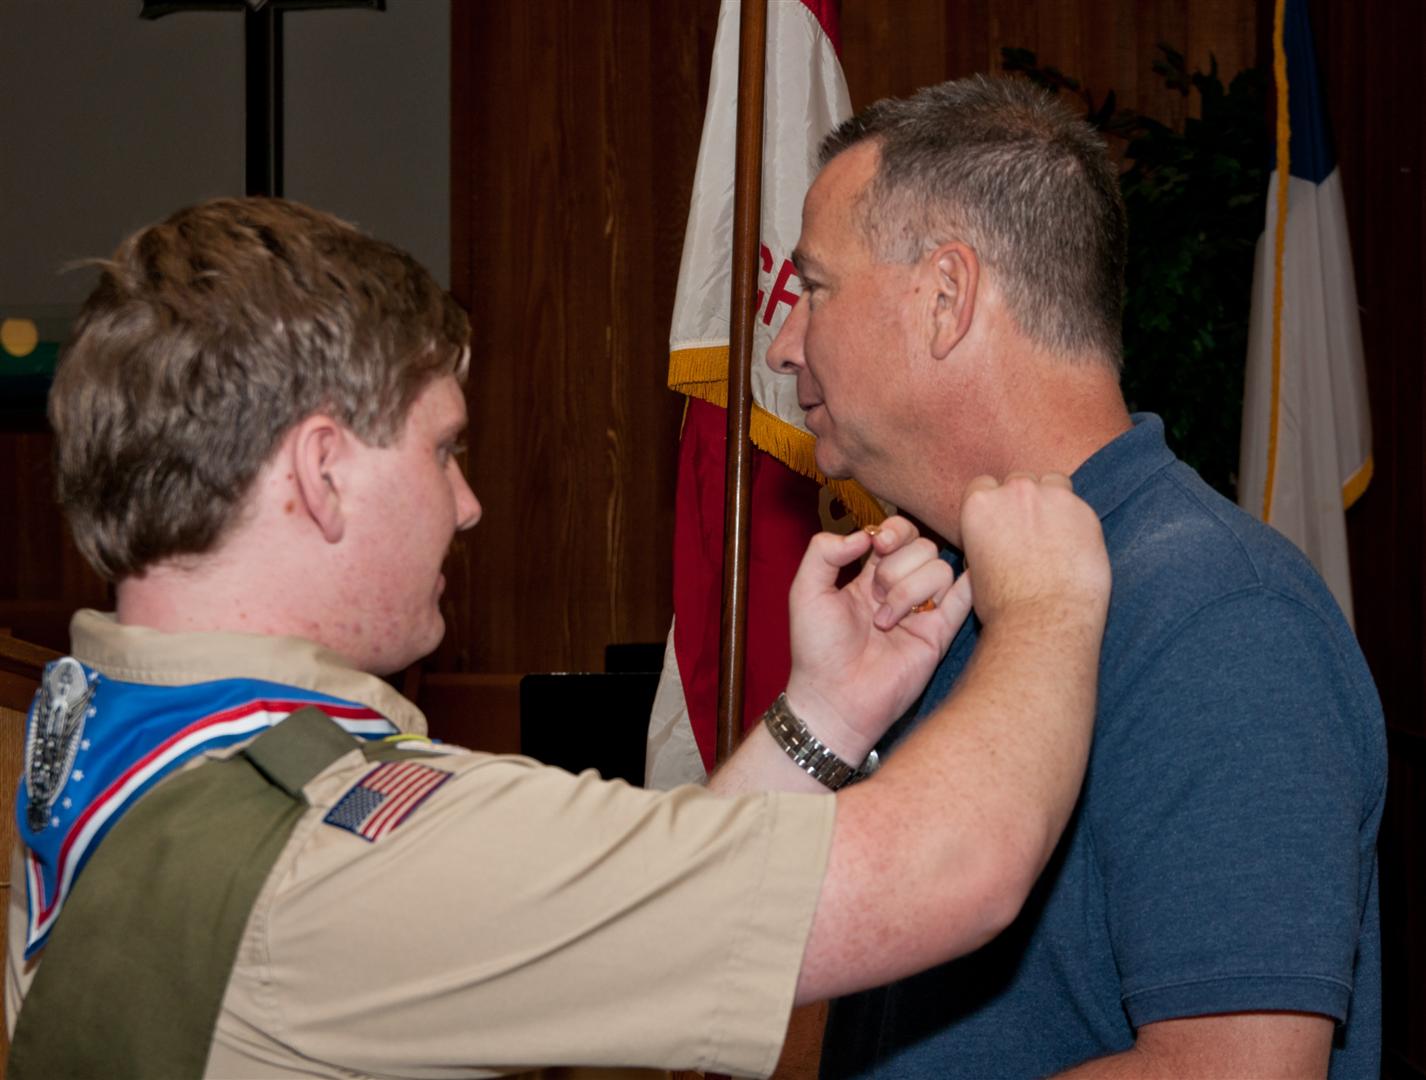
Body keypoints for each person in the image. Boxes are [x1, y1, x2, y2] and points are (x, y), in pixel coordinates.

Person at [6, 196, 1114, 1078]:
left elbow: (635, 907)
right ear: (323, 472)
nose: (468, 504)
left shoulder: (113, 732)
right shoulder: (330, 853)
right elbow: (945, 876)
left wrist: (823, 715)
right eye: (443, 450)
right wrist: (1049, 607)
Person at [766, 75, 1387, 1079]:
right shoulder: (938, 597)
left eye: (816, 288)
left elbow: (1237, 1071)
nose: (784, 343)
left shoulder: (1223, 620)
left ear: (944, 297)